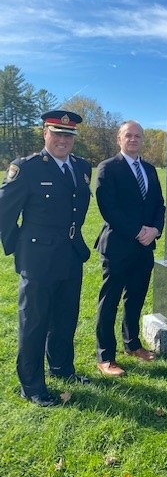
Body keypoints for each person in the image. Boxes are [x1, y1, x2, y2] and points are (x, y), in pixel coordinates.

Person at [0, 111, 92, 407]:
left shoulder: (81, 167)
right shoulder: (26, 168)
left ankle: (62, 369)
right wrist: (20, 246)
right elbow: (4, 211)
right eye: (57, 133)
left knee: (66, 318)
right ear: (45, 133)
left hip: (70, 254)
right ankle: (32, 385)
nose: (63, 140)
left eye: (68, 135)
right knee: (35, 322)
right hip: (38, 259)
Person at [95, 120, 165, 376]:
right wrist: (138, 231)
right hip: (118, 246)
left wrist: (155, 230)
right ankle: (105, 357)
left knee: (135, 298)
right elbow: (108, 208)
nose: (133, 139)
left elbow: (159, 204)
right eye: (128, 135)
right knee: (109, 301)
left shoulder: (149, 169)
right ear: (119, 139)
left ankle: (132, 344)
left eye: (138, 136)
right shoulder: (108, 168)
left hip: (145, 247)